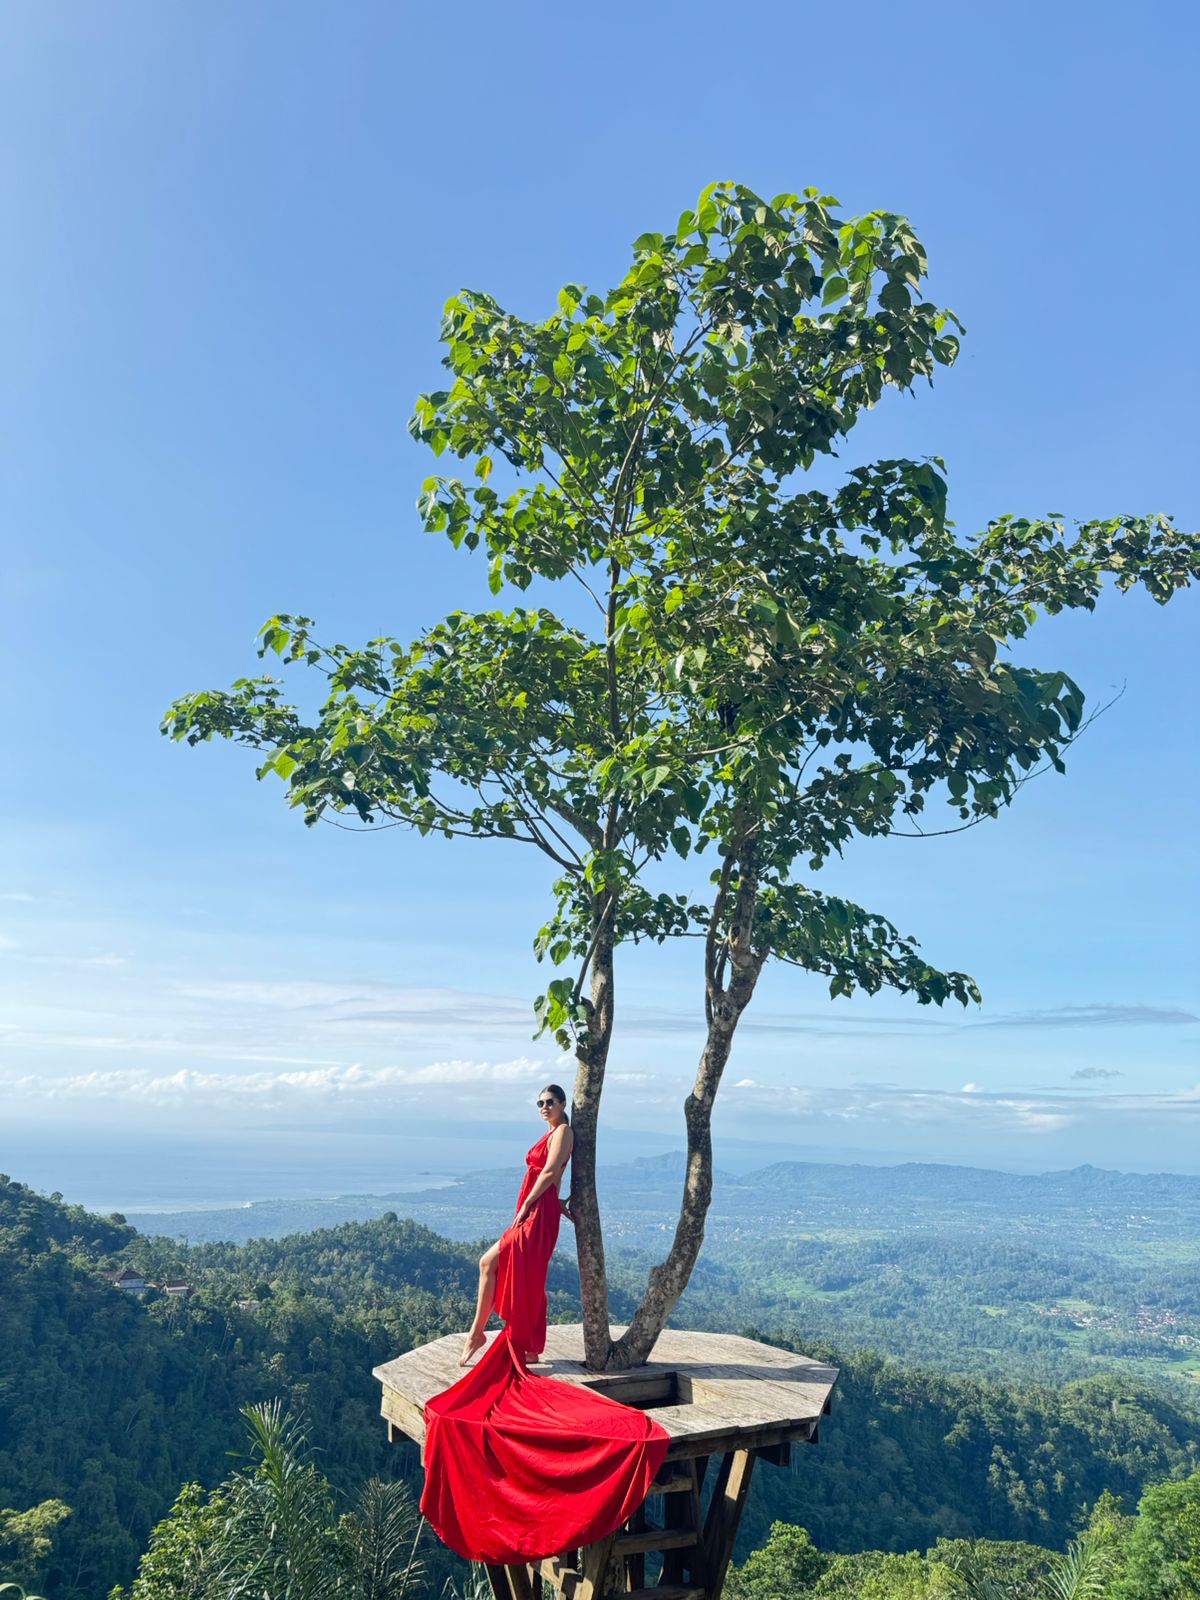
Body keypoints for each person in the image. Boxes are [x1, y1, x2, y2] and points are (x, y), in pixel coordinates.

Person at [458, 1083, 574, 1366]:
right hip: (537, 1207)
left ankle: (476, 1334)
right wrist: (552, 1202)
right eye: (540, 1103)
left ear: (562, 1104)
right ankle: (530, 1347)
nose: (544, 1107)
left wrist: (528, 1204)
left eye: (549, 1102)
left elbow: (549, 1172)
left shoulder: (563, 1132)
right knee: (527, 1276)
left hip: (537, 1211)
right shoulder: (549, 1133)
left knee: (489, 1262)